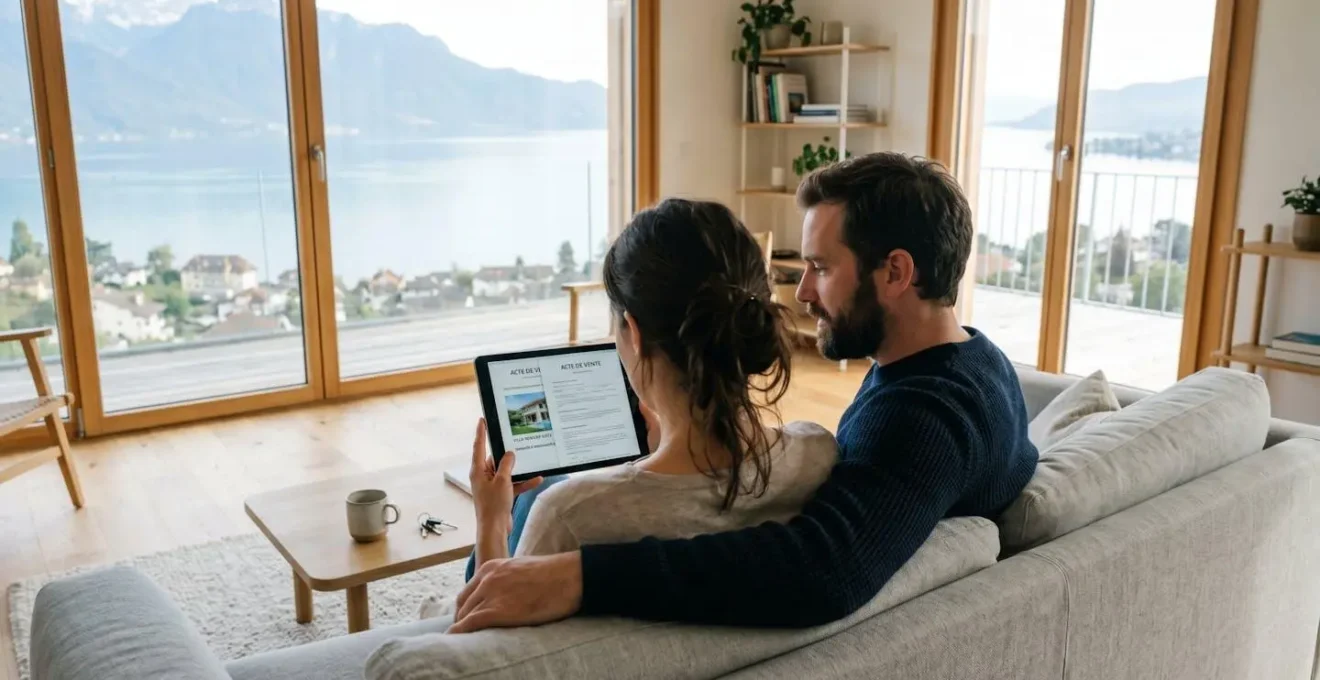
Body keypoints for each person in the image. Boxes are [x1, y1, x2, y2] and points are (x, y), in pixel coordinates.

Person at [447, 152, 1039, 633]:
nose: (803, 292)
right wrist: (683, 435)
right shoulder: (976, 362)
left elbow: (822, 571)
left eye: (821, 267)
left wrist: (578, 574)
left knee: (536, 500)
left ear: (896, 273)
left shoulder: (921, 419)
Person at [428, 198, 840, 618]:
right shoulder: (817, 453)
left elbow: (492, 642)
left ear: (636, 334)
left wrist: (492, 520)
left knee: (535, 496)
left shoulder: (571, 515)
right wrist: (667, 450)